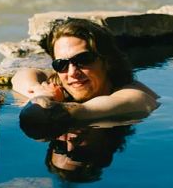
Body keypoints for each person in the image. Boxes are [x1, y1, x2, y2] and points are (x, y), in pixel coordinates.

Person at [12, 18, 159, 128]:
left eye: (83, 59)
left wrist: (44, 97)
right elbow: (22, 75)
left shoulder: (134, 96)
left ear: (108, 61)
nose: (72, 73)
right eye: (61, 64)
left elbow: (43, 115)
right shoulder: (66, 78)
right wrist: (39, 89)